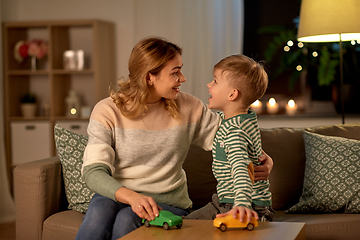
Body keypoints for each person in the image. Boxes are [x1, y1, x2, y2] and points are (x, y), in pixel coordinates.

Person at [75, 37, 273, 240]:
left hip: (169, 202)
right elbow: (93, 172)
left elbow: (230, 136)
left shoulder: (189, 107)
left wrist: (262, 158)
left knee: (127, 218)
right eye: (175, 72)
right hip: (120, 195)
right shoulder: (107, 111)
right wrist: (133, 197)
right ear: (149, 77)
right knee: (99, 210)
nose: (183, 78)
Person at [186, 54, 274, 222]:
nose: (209, 85)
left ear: (232, 94)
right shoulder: (243, 120)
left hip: (239, 204)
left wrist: (242, 205)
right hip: (230, 200)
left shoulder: (234, 132)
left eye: (215, 81)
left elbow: (242, 168)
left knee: (187, 228)